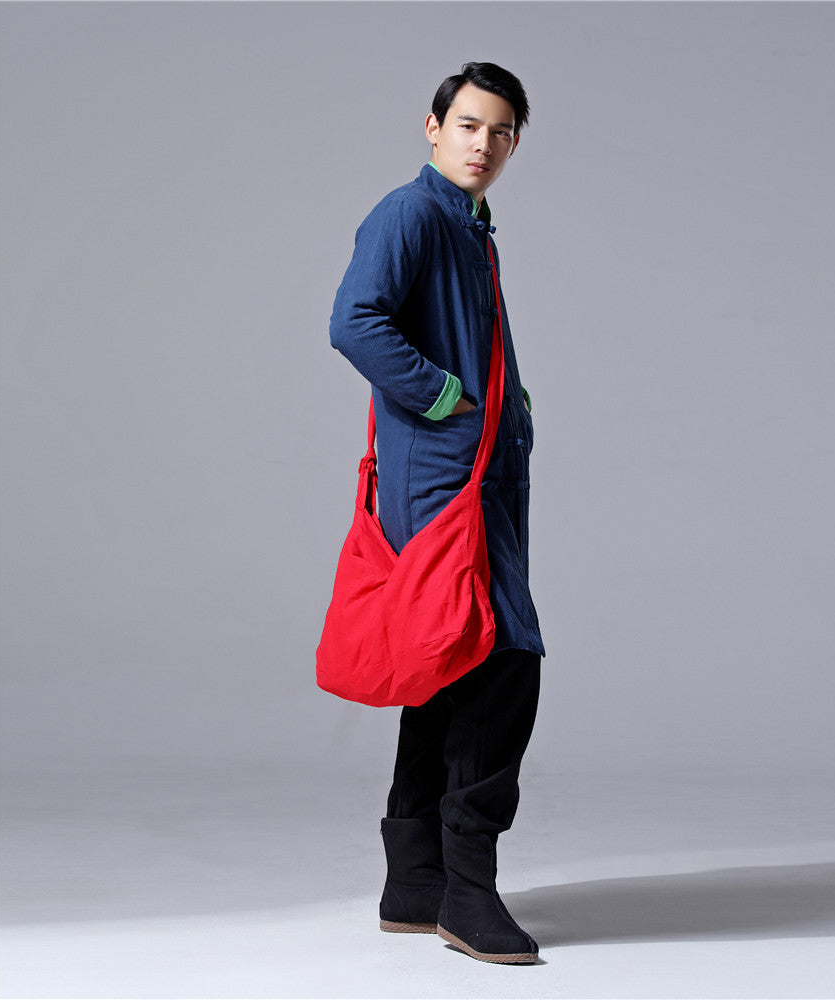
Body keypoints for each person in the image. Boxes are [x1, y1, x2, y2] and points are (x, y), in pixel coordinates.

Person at [328, 62, 543, 965]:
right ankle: (469, 891)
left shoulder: (470, 226)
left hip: (477, 479)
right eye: (467, 125)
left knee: (447, 666)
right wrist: (446, 395)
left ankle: (416, 885)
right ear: (433, 127)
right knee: (502, 667)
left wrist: (511, 407)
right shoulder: (411, 213)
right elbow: (355, 321)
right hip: (441, 488)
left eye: (500, 131)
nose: (482, 144)